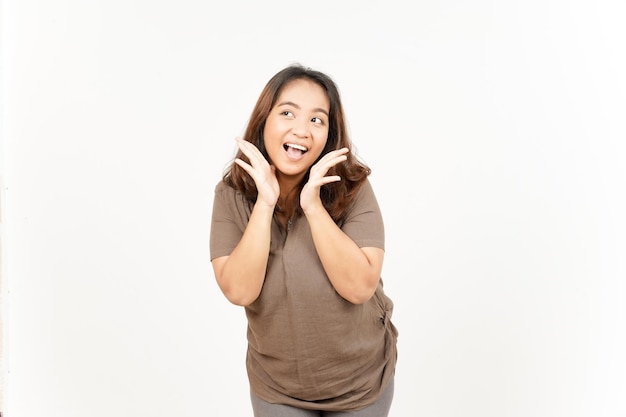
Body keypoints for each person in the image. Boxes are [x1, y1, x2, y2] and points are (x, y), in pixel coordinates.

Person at [210, 64, 398, 417]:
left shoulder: (354, 187)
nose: (302, 130)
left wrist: (313, 207)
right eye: (287, 113)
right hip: (277, 387)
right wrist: (265, 204)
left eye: (317, 120)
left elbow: (359, 287)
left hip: (361, 383)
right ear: (264, 120)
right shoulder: (232, 194)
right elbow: (239, 291)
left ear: (329, 134)